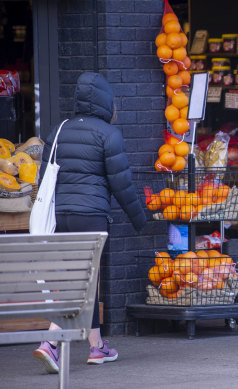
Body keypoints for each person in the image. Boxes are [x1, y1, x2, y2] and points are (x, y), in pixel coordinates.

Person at [32, 72, 146, 373]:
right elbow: (121, 184)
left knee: (85, 281)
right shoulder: (108, 134)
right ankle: (51, 342)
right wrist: (140, 219)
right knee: (83, 283)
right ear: (107, 102)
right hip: (91, 216)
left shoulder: (58, 130)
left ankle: (97, 347)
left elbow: (44, 179)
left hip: (61, 216)